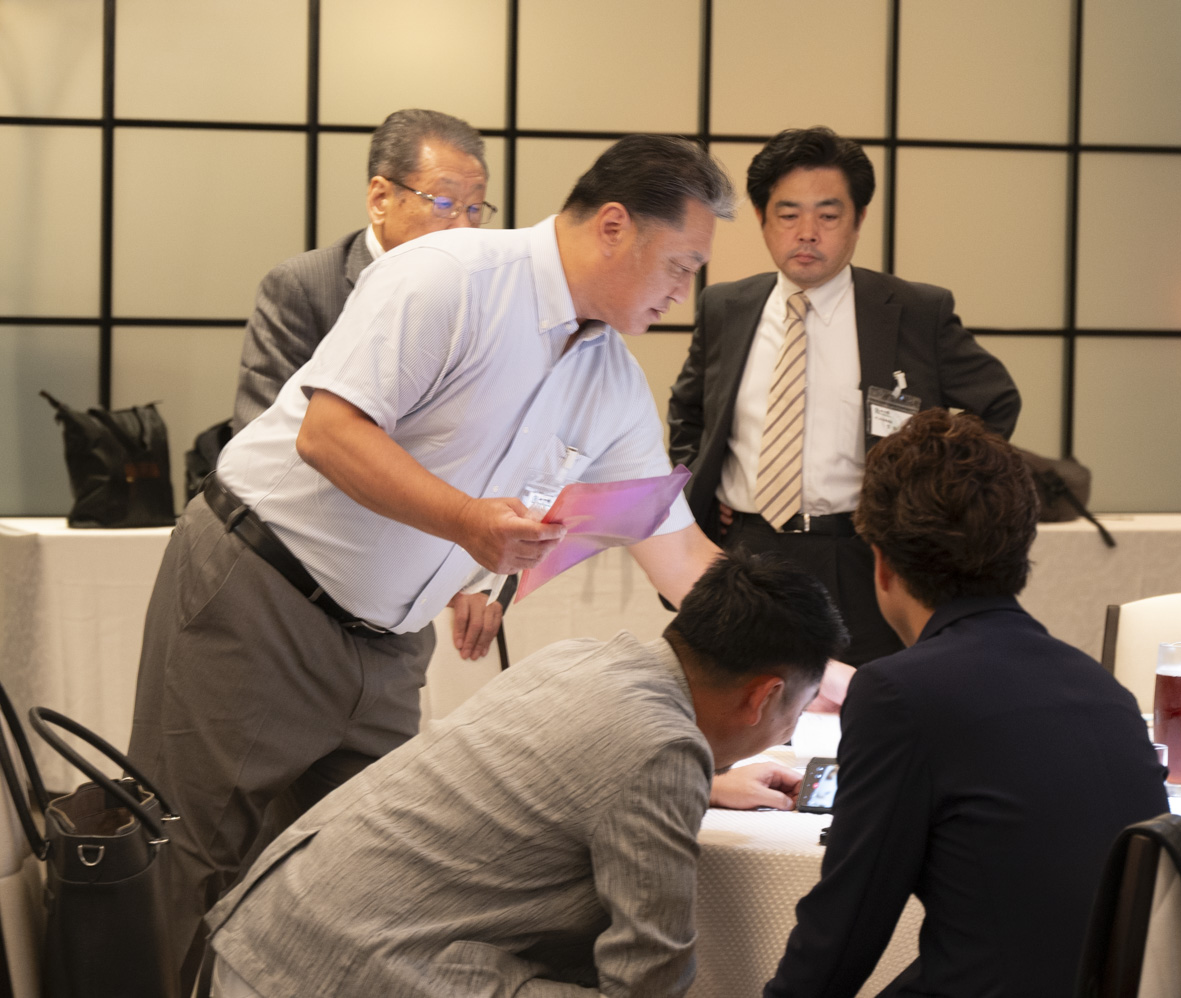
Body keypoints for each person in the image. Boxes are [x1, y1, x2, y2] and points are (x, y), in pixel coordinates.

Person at [129, 134, 740, 996]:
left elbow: (675, 550)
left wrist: (811, 661)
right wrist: (466, 522)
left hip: (388, 645)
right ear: (613, 226)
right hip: (263, 590)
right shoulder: (452, 275)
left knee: (354, 883)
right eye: (680, 266)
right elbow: (328, 434)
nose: (684, 292)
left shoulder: (611, 379)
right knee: (187, 857)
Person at [204, 551, 848, 998]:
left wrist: (702, 783)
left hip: (269, 934)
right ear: (764, 696)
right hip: (347, 974)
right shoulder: (661, 750)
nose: (789, 729)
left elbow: (568, 772)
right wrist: (682, 776)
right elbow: (649, 974)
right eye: (798, 709)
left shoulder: (581, 660)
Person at [763, 409, 1168, 998]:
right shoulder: (1105, 691)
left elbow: (843, 934)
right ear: (1021, 547)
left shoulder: (899, 695)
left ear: (881, 563)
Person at [668, 126, 1021, 678]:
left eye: (828, 216)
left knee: (868, 701)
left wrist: (927, 500)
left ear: (858, 220)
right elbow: (689, 414)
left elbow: (996, 402)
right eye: (788, 214)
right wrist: (706, 492)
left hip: (863, 554)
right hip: (747, 549)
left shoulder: (913, 312)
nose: (807, 233)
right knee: (743, 700)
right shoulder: (725, 306)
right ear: (761, 218)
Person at [232, 107, 502, 661]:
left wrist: (478, 573)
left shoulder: (480, 300)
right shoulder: (304, 287)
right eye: (444, 203)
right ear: (380, 198)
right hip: (288, 582)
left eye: (476, 209)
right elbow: (269, 444)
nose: (464, 227)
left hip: (403, 601)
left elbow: (485, 447)